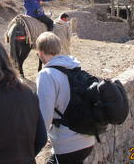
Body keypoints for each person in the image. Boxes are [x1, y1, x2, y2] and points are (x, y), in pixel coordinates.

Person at [36, 32, 94, 164]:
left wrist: (36, 144)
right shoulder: (74, 67)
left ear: (40, 52)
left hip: (68, 144)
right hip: (87, 140)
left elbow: (45, 114)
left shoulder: (47, 74)